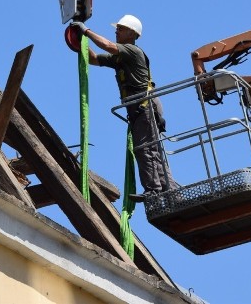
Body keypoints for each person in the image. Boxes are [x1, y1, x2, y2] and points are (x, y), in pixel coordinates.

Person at [72, 15, 178, 195]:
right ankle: (169, 190)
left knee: (145, 149)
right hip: (140, 108)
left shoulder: (131, 51)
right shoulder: (120, 57)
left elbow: (107, 46)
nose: (116, 31)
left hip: (145, 105)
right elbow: (94, 59)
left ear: (132, 33)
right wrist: (79, 41)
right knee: (151, 149)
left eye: (120, 28)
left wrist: (86, 31)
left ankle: (155, 190)